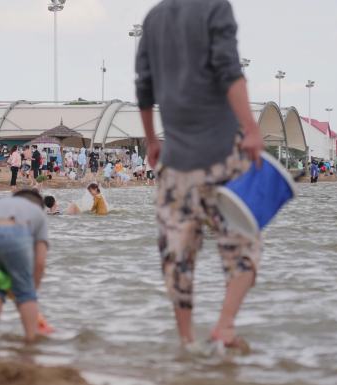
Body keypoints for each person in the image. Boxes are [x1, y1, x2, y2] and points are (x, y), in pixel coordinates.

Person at [136, 0, 265, 348]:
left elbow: (143, 90)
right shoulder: (215, 7)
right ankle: (225, 325)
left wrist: (152, 141)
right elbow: (229, 70)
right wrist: (252, 129)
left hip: (175, 165)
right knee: (245, 247)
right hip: (223, 156)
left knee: (176, 257)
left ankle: (186, 342)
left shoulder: (153, 18)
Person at [0, 189, 49, 342]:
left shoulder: (0, 203)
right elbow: (40, 262)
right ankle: (31, 339)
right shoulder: (37, 212)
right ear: (39, 205)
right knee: (26, 292)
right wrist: (31, 291)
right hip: (15, 230)